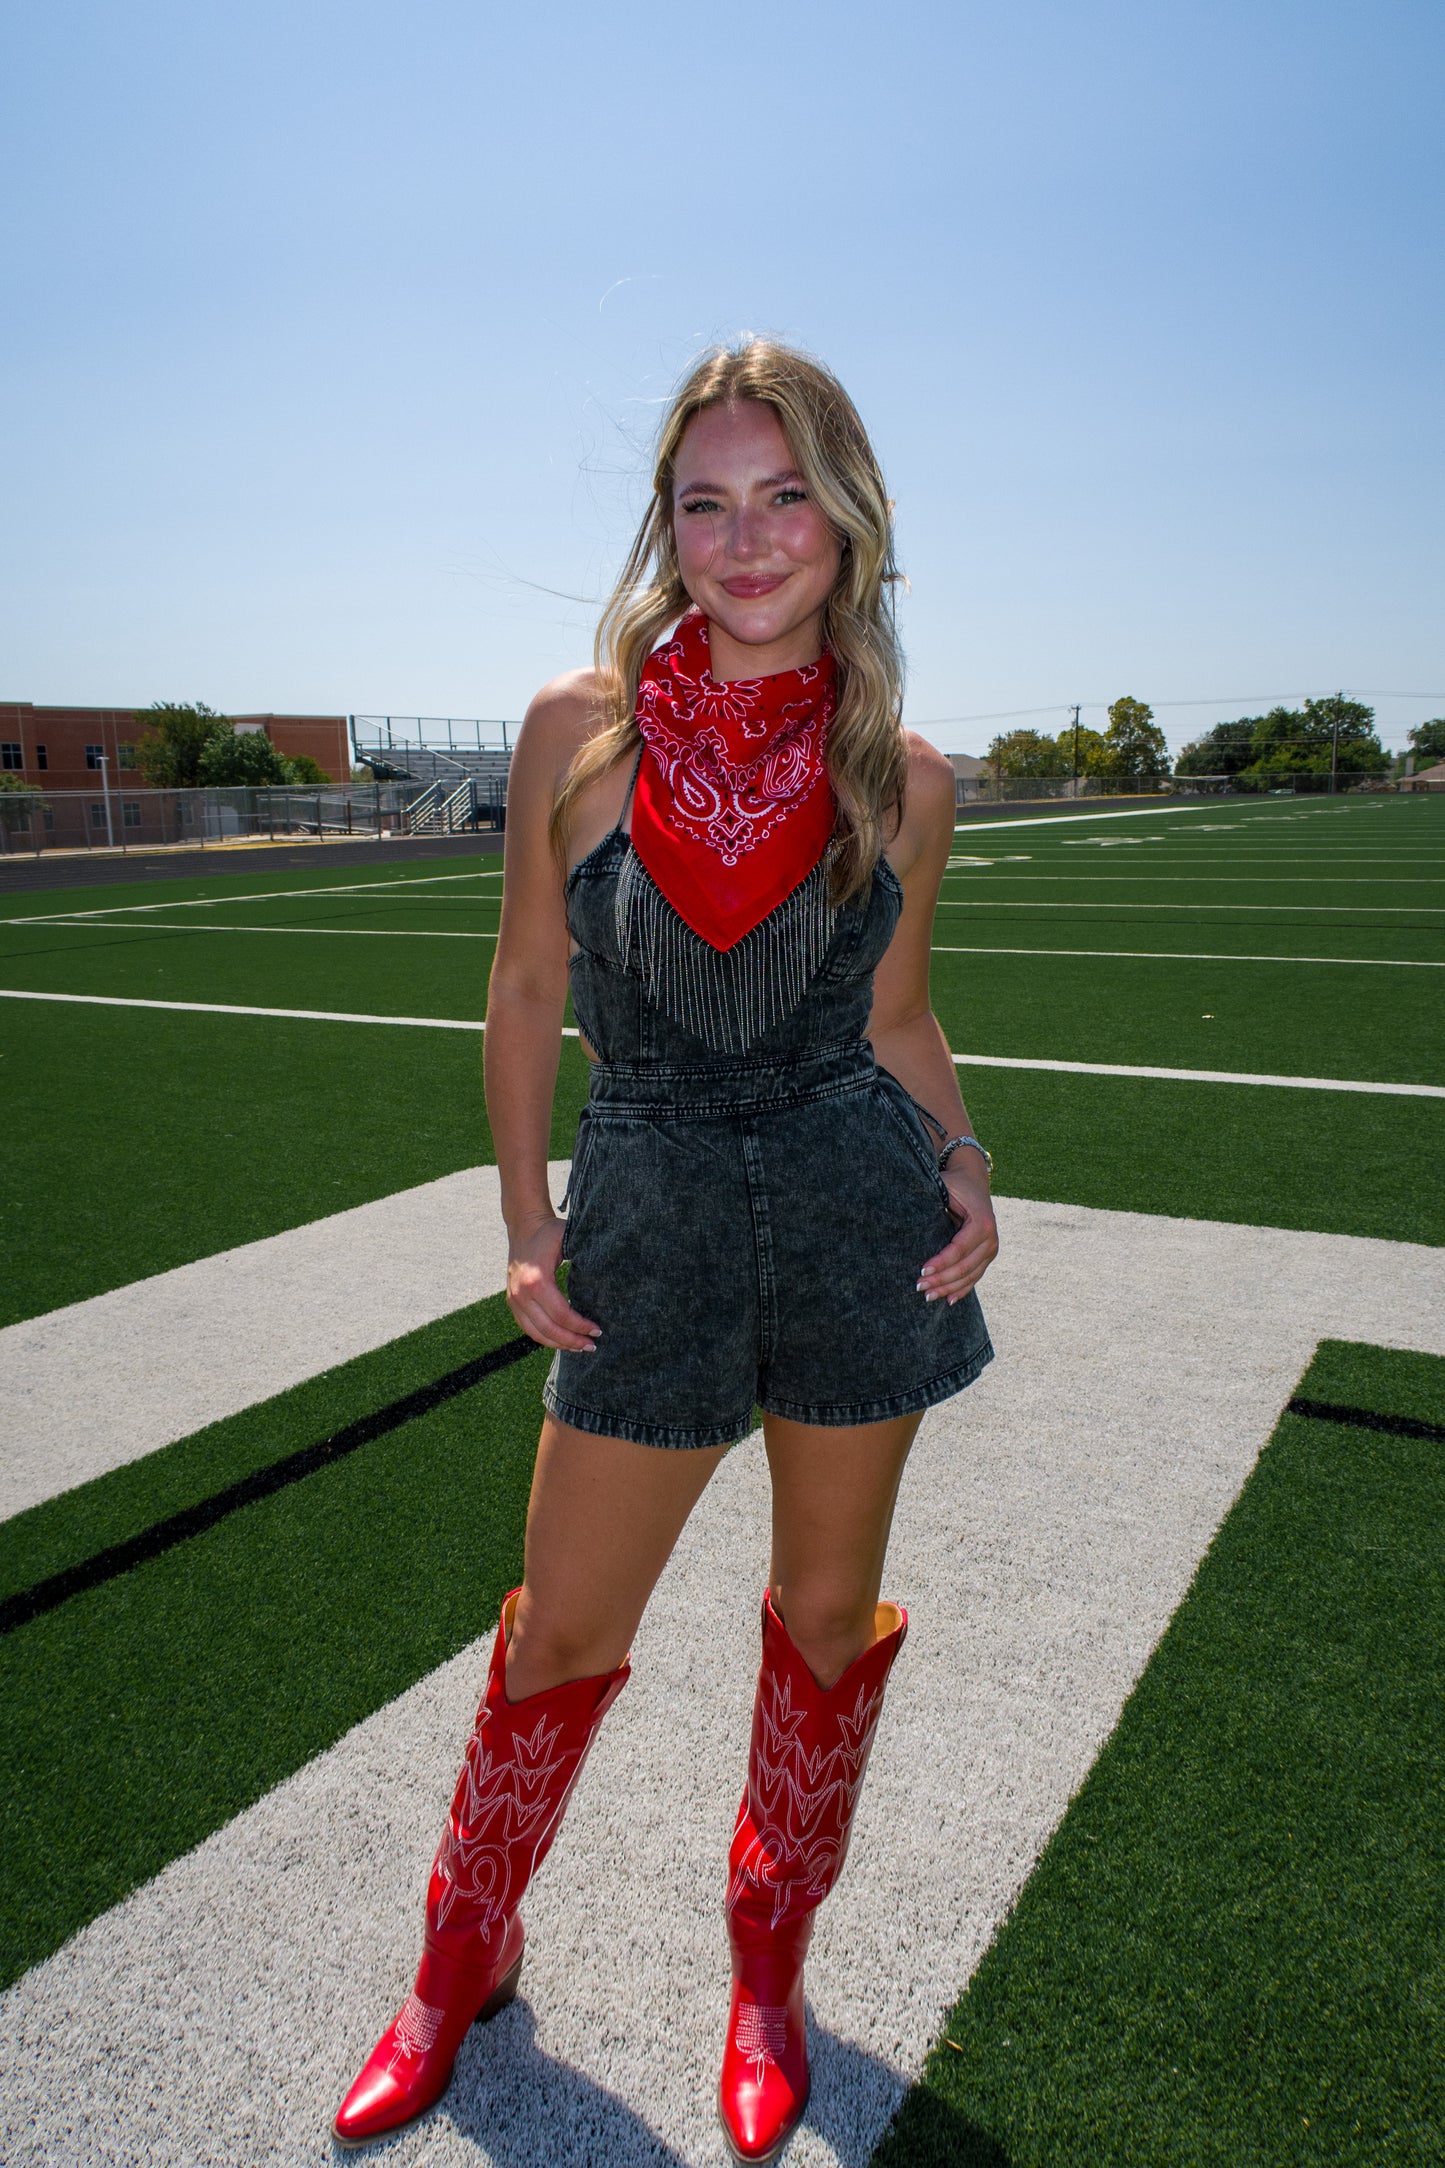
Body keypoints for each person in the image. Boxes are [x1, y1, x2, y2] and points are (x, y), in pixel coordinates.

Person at [334, 338, 999, 2162]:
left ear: (847, 520)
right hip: (646, 1205)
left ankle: (766, 1967)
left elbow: (903, 1018)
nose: (744, 536)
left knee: (816, 1617)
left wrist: (964, 1159)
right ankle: (460, 1954)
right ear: (667, 526)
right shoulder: (580, 726)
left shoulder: (907, 778)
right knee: (560, 1626)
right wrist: (526, 1212)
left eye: (783, 494)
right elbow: (529, 982)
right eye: (704, 500)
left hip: (859, 1220)